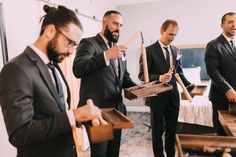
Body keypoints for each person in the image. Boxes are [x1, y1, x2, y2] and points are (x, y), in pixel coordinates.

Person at [0, 5, 101, 157]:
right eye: (70, 43)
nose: (71, 51)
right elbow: (20, 134)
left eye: (75, 45)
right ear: (50, 31)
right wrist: (74, 116)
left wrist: (82, 117)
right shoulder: (16, 69)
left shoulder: (53, 66)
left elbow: (55, 113)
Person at [73, 10, 137, 157]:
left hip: (117, 111)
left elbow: (124, 79)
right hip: (96, 113)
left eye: (121, 25)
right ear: (104, 22)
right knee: (100, 154)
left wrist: (142, 88)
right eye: (115, 23)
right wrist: (107, 55)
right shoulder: (89, 43)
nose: (118, 28)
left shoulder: (120, 50)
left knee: (113, 153)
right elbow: (78, 69)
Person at [138, 19, 192, 157]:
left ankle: (170, 154)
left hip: (173, 97)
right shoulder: (148, 51)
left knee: (172, 129)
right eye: (170, 34)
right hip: (156, 96)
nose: (172, 38)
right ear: (162, 31)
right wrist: (160, 78)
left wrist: (190, 85)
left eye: (175, 35)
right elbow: (142, 75)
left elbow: (179, 72)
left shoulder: (176, 50)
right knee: (157, 130)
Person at [205, 12, 236, 135]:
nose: (234, 25)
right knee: (223, 136)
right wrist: (228, 90)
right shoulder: (213, 45)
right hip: (221, 98)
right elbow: (212, 71)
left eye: (235, 21)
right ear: (222, 25)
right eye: (230, 22)